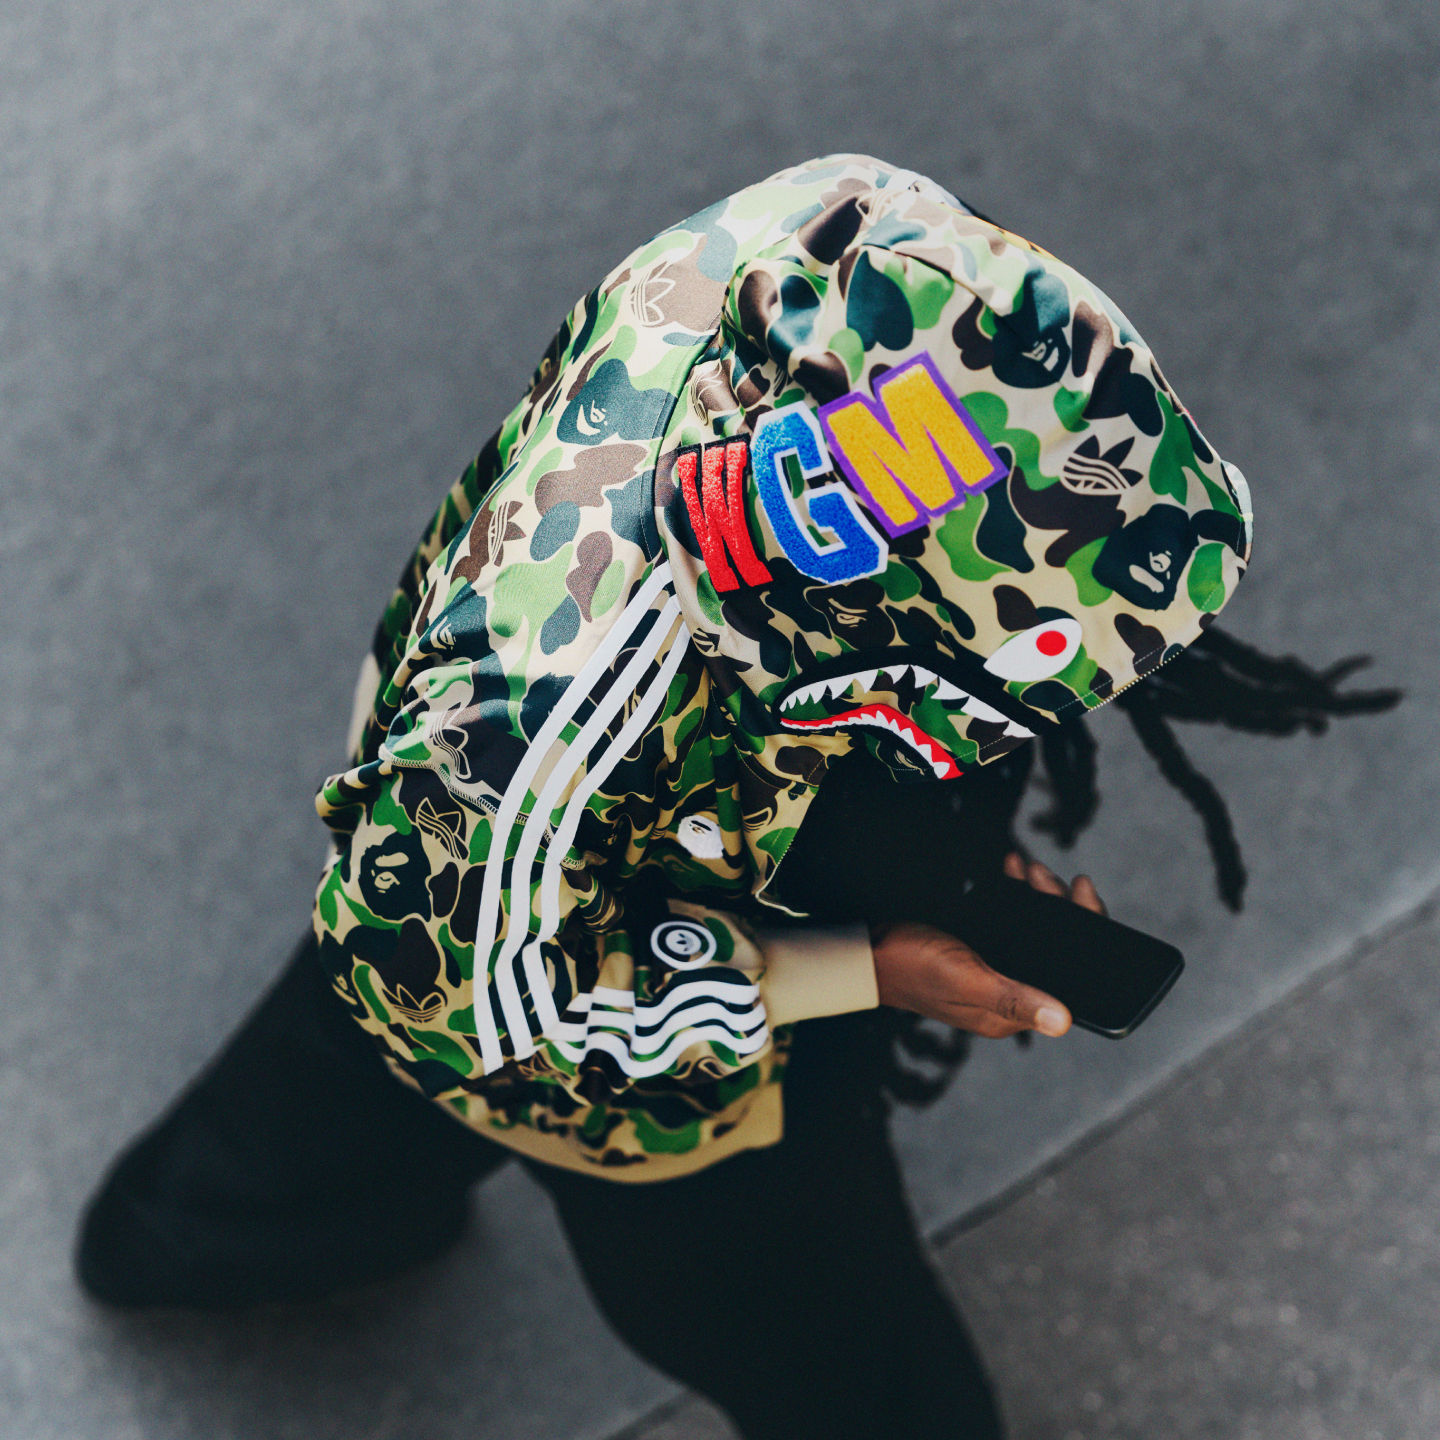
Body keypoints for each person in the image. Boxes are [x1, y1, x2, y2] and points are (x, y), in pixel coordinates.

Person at [74, 155, 1394, 1440]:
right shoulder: (525, 743)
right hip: (529, 916)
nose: (1045, 716)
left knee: (335, 1074)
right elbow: (490, 1006)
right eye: (1010, 684)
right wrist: (868, 970)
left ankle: (212, 1232)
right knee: (836, 1350)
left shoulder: (818, 252)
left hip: (489, 843)